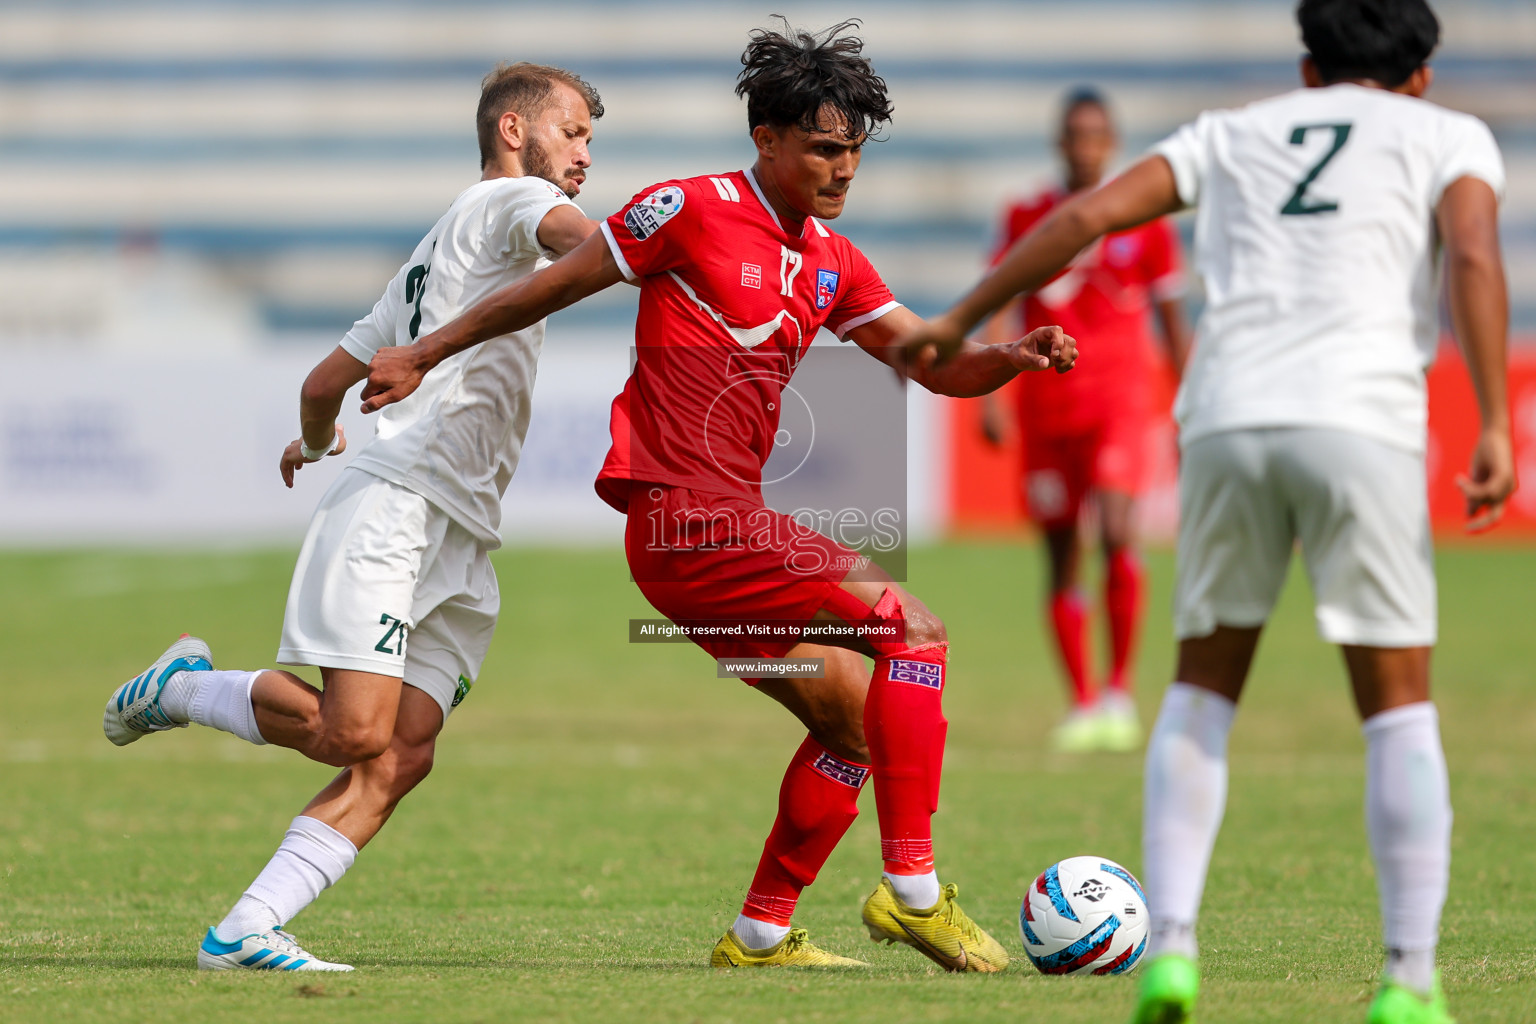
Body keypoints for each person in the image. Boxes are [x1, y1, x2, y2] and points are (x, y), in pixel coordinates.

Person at [362, 20, 1077, 972]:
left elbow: (929, 363)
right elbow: (547, 290)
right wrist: (423, 348)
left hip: (723, 527)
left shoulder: (835, 259)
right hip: (686, 517)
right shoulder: (686, 211)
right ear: (767, 140)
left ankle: (760, 934)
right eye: (825, 147)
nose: (843, 167)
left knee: (860, 716)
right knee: (915, 628)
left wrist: (1009, 359)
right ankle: (913, 892)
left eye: (854, 150)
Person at [897, 0, 1512, 1019]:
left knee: (1199, 691)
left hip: (1229, 414)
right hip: (1360, 418)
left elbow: (1083, 218)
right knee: (1397, 704)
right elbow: (1479, 256)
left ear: (1309, 66)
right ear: (1424, 72)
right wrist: (1494, 416)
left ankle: (1172, 950)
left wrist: (959, 316)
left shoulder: (1235, 130)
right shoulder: (1447, 134)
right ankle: (1409, 979)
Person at [101, 62, 605, 972]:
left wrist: (313, 437)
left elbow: (321, 382)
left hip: (461, 536)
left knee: (404, 751)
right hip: (400, 504)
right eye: (574, 135)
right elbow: (585, 243)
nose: (585, 156)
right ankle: (182, 687)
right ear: (515, 134)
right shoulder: (506, 204)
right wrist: (636, 244)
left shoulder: (427, 265)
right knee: (355, 732)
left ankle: (243, 931)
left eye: (590, 144)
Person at [979, 87, 1190, 753]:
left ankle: (1122, 690)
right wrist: (989, 392)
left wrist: (1191, 403)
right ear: (1060, 143)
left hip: (1121, 402)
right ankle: (1084, 701)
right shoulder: (1026, 215)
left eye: (1097, 134)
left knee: (1118, 527)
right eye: (1075, 134)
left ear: (1112, 143)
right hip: (1048, 407)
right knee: (1061, 553)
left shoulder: (1145, 220)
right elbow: (1000, 299)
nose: (1086, 146)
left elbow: (1173, 321)